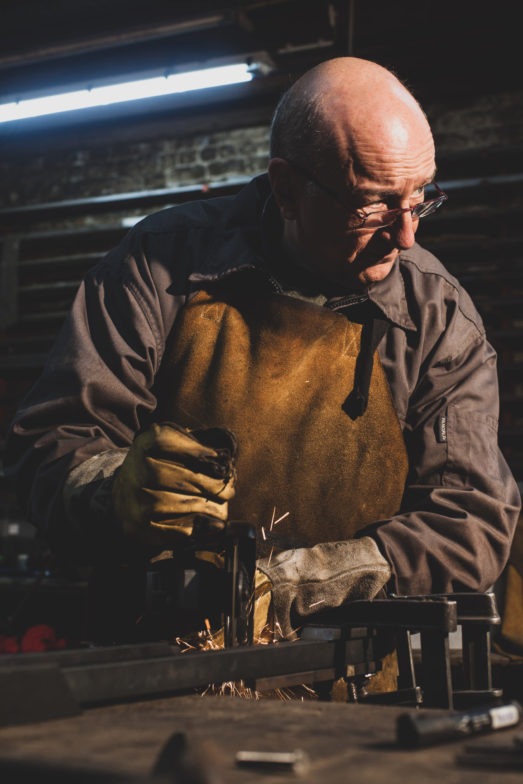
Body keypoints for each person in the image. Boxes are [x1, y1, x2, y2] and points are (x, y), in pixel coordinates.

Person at [5, 57, 521, 640]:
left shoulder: (436, 317)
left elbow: (470, 518)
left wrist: (304, 582)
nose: (406, 236)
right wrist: (110, 491)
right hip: (153, 664)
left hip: (353, 687)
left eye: (421, 197)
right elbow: (51, 445)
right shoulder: (159, 269)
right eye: (371, 204)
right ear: (286, 189)